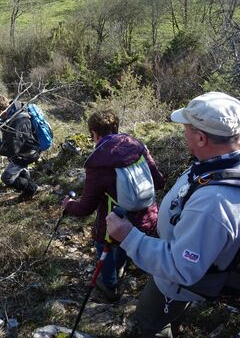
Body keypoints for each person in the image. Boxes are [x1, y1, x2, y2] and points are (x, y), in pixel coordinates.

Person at [106, 92, 240, 337]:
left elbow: (182, 269)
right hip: (188, 262)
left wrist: (127, 236)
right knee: (171, 318)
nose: (183, 133)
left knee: (148, 324)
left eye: (186, 128)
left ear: (201, 138)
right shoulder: (235, 159)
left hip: (175, 285)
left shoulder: (215, 204)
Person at [62, 110, 165, 302]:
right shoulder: (138, 147)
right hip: (148, 218)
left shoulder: (98, 162)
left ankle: (109, 285)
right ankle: (121, 265)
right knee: (126, 243)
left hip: (114, 225)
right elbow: (159, 182)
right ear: (116, 127)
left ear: (93, 133)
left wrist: (68, 205)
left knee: (103, 244)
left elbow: (85, 208)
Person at [0, 95, 41, 200]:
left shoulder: (18, 122)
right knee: (22, 170)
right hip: (26, 149)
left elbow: (11, 150)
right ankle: (27, 190)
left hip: (27, 153)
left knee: (6, 178)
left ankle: (32, 189)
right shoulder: (14, 111)